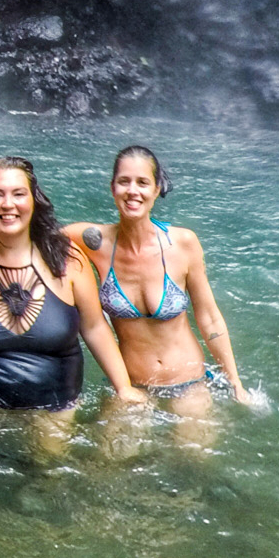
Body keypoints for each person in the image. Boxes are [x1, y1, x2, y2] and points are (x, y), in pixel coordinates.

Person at [0, 157, 145, 457]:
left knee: (49, 476)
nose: (8, 204)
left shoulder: (68, 258)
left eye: (19, 194)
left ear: (34, 200)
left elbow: (94, 326)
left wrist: (124, 388)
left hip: (55, 408)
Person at [66, 146, 249, 448]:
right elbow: (35, 234)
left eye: (142, 182)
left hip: (189, 384)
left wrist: (235, 382)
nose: (132, 191)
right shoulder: (94, 242)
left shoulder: (183, 243)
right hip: (133, 386)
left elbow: (209, 316)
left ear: (156, 189)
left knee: (193, 467)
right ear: (112, 188)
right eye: (124, 181)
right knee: (112, 465)